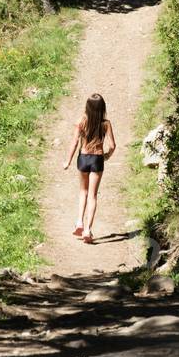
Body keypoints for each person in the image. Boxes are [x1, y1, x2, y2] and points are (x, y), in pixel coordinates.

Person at [63, 93, 116, 244]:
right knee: (93, 195)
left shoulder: (81, 121)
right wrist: (107, 156)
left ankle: (79, 222)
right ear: (102, 107)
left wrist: (67, 161)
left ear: (87, 106)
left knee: (83, 192)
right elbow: (112, 145)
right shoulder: (106, 123)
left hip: (83, 158)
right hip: (97, 159)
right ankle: (88, 230)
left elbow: (74, 143)